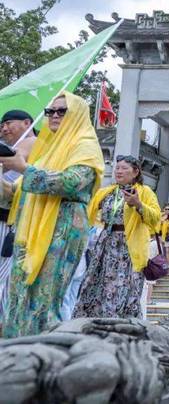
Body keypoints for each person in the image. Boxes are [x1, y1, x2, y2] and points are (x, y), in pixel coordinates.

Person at [0, 92, 104, 337]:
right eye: (50, 111)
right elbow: (14, 194)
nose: (54, 115)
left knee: (44, 298)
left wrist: (24, 168)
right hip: (30, 230)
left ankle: (44, 358)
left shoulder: (85, 145)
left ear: (77, 114)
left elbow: (71, 182)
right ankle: (16, 353)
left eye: (61, 111)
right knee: (20, 295)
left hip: (63, 227)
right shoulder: (46, 151)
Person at [73, 154, 160, 319]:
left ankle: (121, 322)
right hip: (106, 243)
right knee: (98, 282)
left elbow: (156, 218)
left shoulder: (145, 192)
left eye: (124, 168)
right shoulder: (107, 192)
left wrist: (138, 204)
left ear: (135, 172)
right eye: (117, 168)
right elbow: (88, 210)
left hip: (128, 246)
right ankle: (95, 319)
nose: (118, 171)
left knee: (123, 286)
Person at [0, 109, 37, 319]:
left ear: (27, 123)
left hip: (16, 224)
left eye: (8, 123)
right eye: (2, 125)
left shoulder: (36, 145)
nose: (4, 128)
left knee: (7, 281)